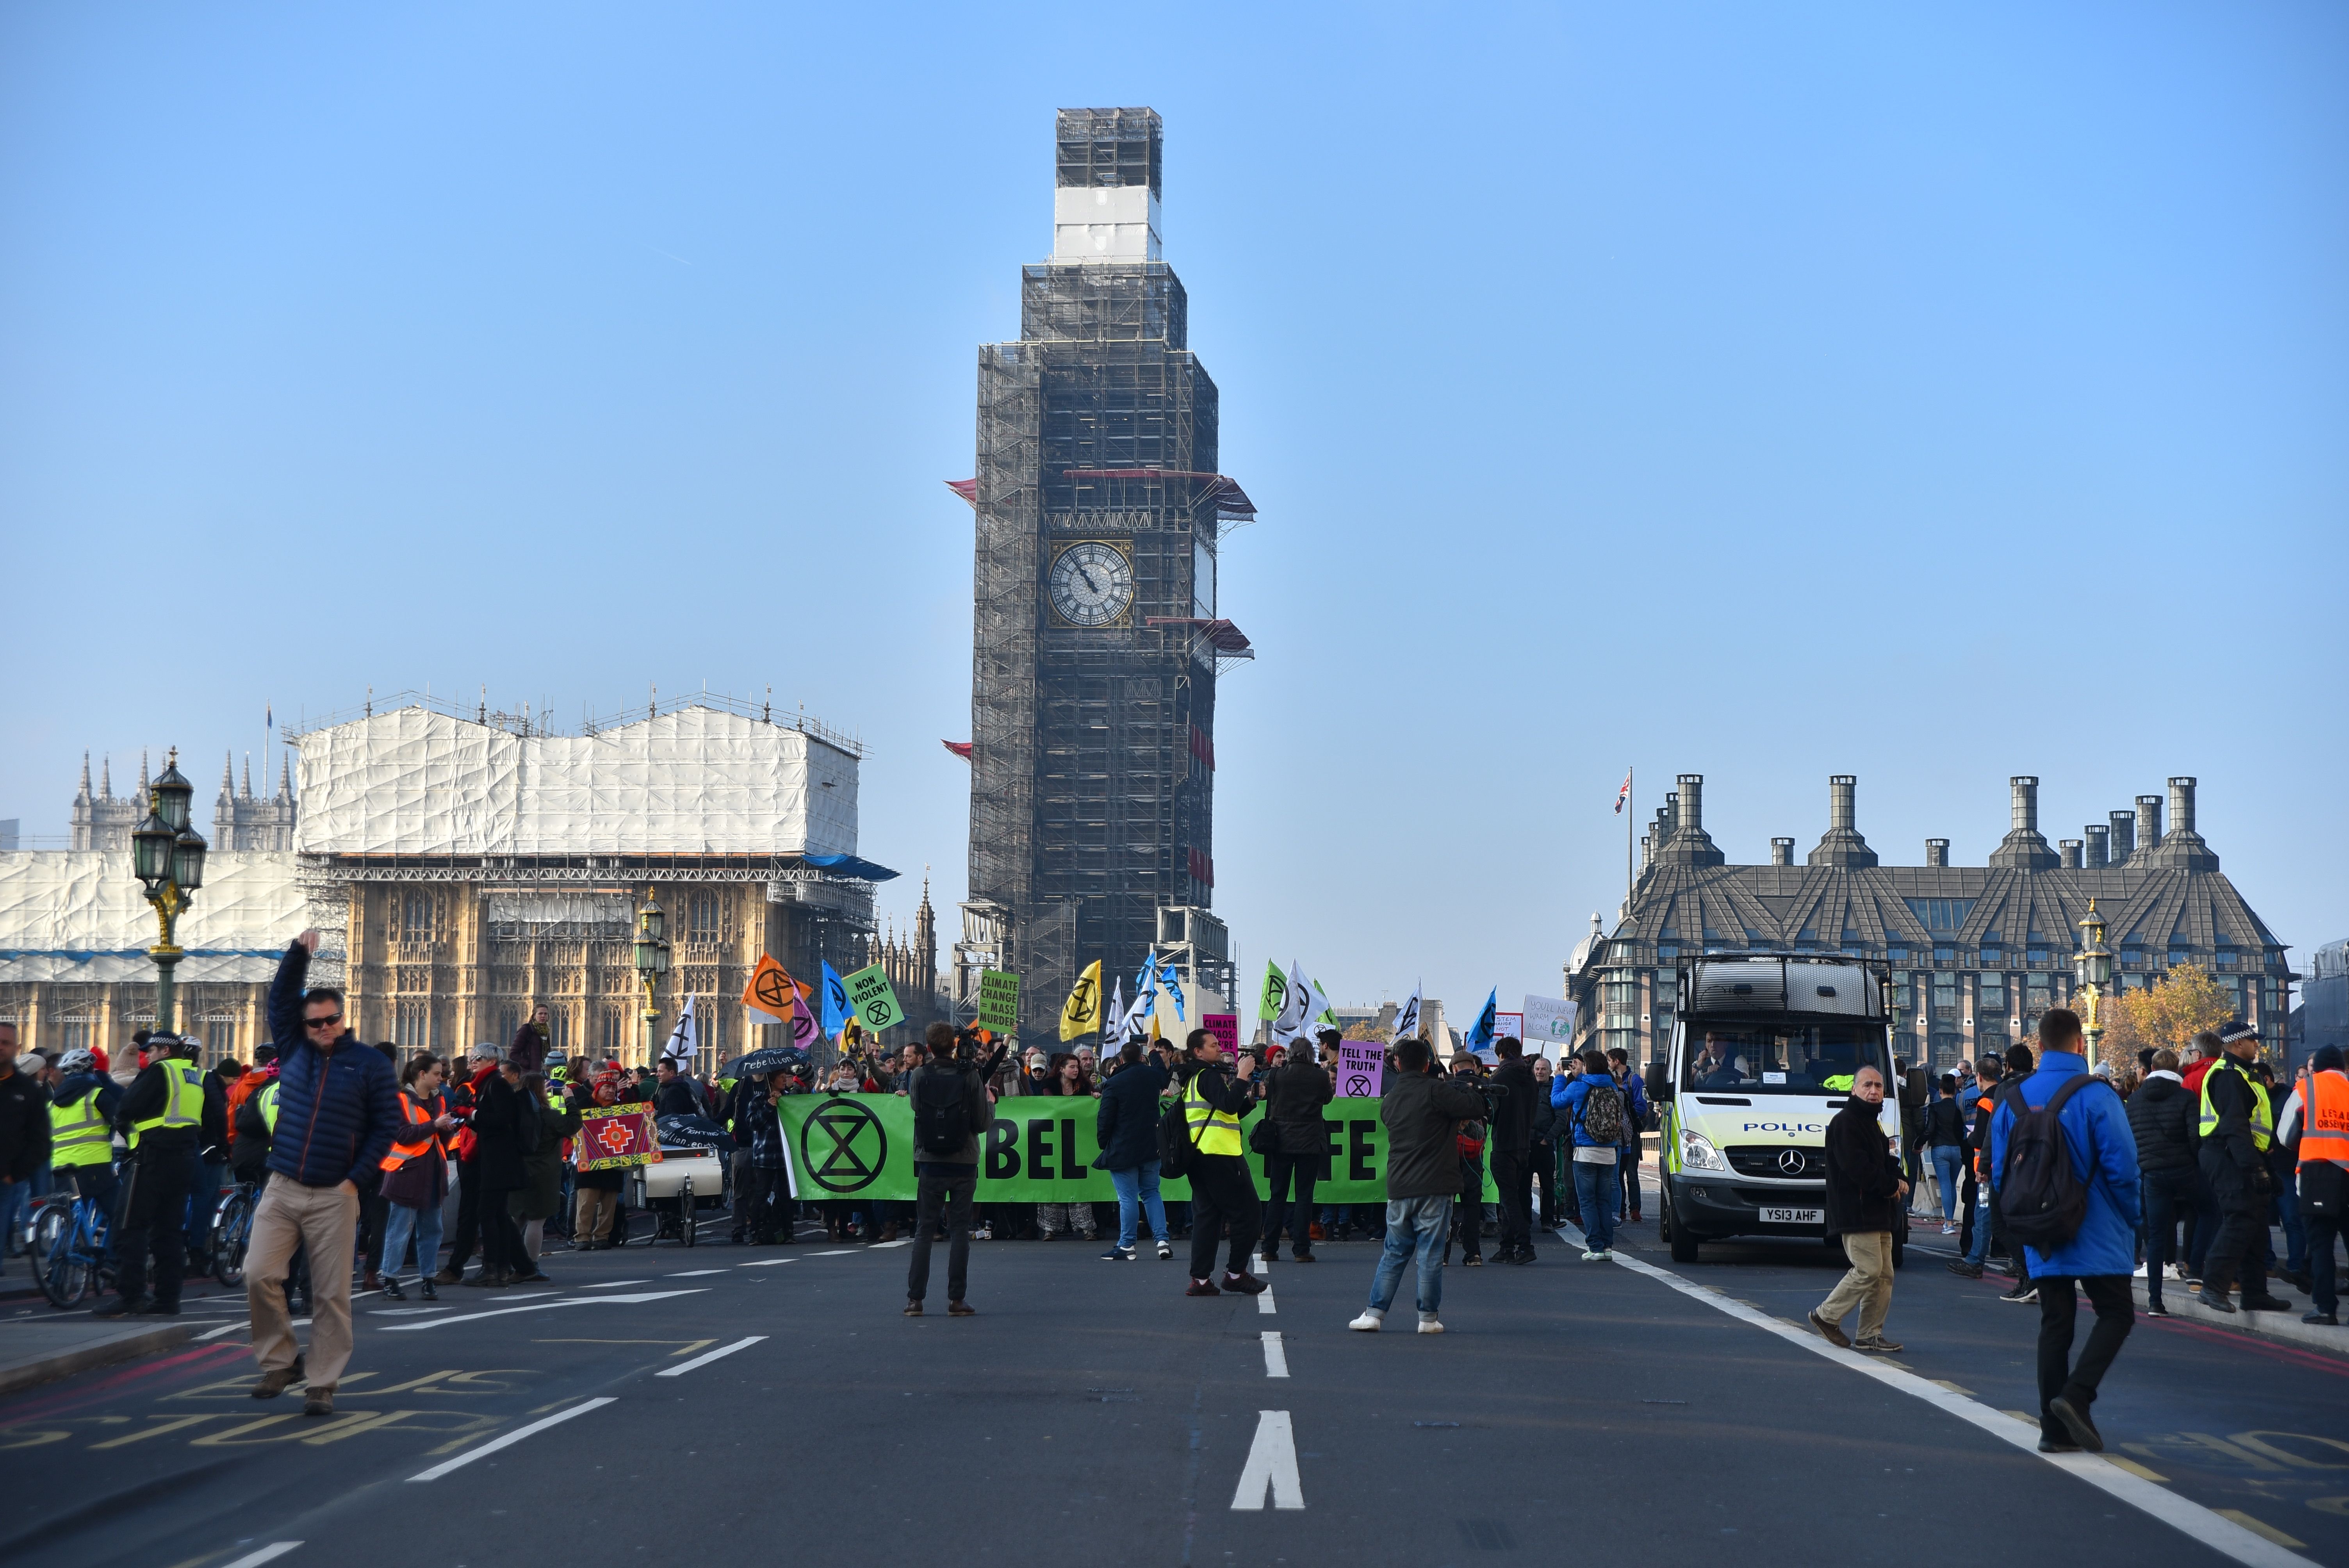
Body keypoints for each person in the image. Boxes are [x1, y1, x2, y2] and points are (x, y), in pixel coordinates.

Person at [244, 930, 400, 1417]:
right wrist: (297, 955)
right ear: (304, 1025)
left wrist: (356, 1177)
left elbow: (386, 1125)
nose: (324, 1027)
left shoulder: (369, 1064)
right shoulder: (293, 1049)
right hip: (285, 1181)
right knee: (258, 1274)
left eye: (331, 1019)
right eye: (315, 1022)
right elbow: (279, 999)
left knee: (330, 1293)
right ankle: (282, 1360)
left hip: (336, 1190)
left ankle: (323, 1382)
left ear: (342, 1019)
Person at [1988, 1008, 2142, 1453]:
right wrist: (2132, 1217)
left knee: (2055, 1323)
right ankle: (2076, 1395)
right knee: (2116, 1313)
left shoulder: (2012, 1098)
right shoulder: (2098, 1095)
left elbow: (2000, 1173)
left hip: (2040, 1228)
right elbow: (2124, 1168)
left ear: (2039, 1045)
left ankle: (2051, 1431)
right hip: (2096, 1226)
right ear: (2080, 1044)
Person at [1351, 1036, 1487, 1333]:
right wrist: (1467, 1086)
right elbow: (1475, 1106)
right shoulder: (1437, 1091)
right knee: (1430, 1253)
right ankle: (1428, 1319)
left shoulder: (1390, 1099)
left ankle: (1374, 1314)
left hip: (1400, 1184)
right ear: (1427, 1063)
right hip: (1436, 1184)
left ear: (1397, 1063)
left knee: (1395, 1252)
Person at [95, 1032, 206, 1317]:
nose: (148, 1056)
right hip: (183, 1160)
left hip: (150, 1159)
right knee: (168, 1233)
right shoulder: (193, 1075)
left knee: (129, 1226)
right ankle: (168, 1299)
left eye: (152, 1050)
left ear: (166, 1052)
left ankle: (131, 1295)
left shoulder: (160, 1071)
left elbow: (127, 1107)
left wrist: (127, 1130)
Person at [1808, 1064, 1909, 1353]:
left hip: (1879, 1210)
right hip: (1858, 1210)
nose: (1874, 1091)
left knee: (1885, 1275)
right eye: (1867, 1085)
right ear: (1854, 1089)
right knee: (1868, 1269)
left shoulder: (1872, 1122)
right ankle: (1826, 1315)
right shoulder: (1846, 1122)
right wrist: (1891, 1185)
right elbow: (1858, 1168)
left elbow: (1885, 1160)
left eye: (1878, 1086)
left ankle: (1869, 1334)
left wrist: (1899, 1177)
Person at [2195, 1021, 2292, 1313]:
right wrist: (2255, 1169)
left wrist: (2267, 1169)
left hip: (2242, 1155)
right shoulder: (2228, 1076)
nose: (2256, 1045)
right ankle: (2213, 1287)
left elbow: (2251, 1128)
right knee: (2240, 1219)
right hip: (2227, 1155)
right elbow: (2235, 1127)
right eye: (2252, 1041)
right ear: (2238, 1044)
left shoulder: (2245, 1074)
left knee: (2257, 1226)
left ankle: (2254, 1293)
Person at [904, 1022, 993, 1316]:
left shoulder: (918, 1075)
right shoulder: (969, 1076)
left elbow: (917, 1109)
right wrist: (991, 1103)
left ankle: (915, 1300)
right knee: (958, 1231)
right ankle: (957, 1299)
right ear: (954, 1046)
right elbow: (981, 1123)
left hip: (929, 1160)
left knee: (924, 1231)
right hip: (963, 1161)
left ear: (928, 1048)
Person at [1178, 1027, 1265, 1297]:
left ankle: (1201, 1280)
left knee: (1208, 1218)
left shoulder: (1193, 1079)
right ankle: (1236, 1274)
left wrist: (1249, 1098)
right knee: (1250, 1215)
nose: (1220, 1048)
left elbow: (1227, 1109)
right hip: (1220, 1156)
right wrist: (1241, 1076)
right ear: (1198, 1051)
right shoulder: (1207, 1075)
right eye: (1214, 1045)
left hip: (1201, 1157)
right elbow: (1227, 1106)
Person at [2125, 1048, 2199, 1317]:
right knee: (2211, 1212)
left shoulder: (2134, 1101)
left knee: (2156, 1236)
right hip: (2184, 1170)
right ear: (2177, 1069)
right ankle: (2199, 1271)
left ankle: (2155, 1302)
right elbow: (2195, 1137)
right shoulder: (2186, 1097)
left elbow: (2130, 1139)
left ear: (2152, 1069)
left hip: (2151, 1174)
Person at [378, 1055, 458, 1300]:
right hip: (406, 1173)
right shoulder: (400, 1099)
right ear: (421, 1074)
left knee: (432, 1230)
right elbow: (402, 1135)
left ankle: (428, 1278)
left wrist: (446, 1130)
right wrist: (435, 1125)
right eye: (436, 1074)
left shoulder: (440, 1099)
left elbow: (439, 1142)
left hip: (433, 1173)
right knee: (400, 1230)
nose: (441, 1078)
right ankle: (391, 1279)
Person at [2279, 1044, 2347, 1326]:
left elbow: (2285, 1136)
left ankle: (2325, 1308)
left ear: (2315, 1067)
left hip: (2316, 1178)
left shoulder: (2306, 1090)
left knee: (2320, 1246)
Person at [1093, 1039, 1174, 1261]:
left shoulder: (1114, 1083)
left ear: (1120, 1060)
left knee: (1127, 1197)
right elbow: (1162, 1070)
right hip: (1151, 1145)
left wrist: (1104, 1143)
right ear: (1141, 1058)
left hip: (1123, 1148)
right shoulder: (1154, 1077)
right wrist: (1153, 1049)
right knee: (1152, 1193)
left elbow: (1105, 1118)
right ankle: (1162, 1241)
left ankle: (1127, 1244)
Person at [1261, 1039, 1335, 1263]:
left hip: (1281, 1141)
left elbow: (1268, 1097)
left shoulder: (1276, 1075)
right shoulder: (1320, 1076)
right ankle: (1301, 1249)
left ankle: (1269, 1248)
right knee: (1304, 1196)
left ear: (1291, 1054)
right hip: (1310, 1141)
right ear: (1311, 1054)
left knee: (1277, 1195)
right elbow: (1328, 1100)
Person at [1554, 1048, 1627, 1260]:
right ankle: (1607, 1248)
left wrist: (1560, 1078)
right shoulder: (1612, 1085)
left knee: (1587, 1202)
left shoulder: (1579, 1086)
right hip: (1609, 1151)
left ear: (1587, 1067)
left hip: (1585, 1151)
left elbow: (1557, 1101)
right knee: (1604, 1201)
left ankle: (1594, 1247)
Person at [45, 1047, 121, 1223]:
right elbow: (121, 1122)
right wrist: (135, 1146)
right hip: (95, 1164)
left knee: (72, 1215)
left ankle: (69, 1246)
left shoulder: (52, 1105)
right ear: (90, 1070)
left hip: (61, 1165)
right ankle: (113, 1251)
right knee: (121, 1216)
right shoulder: (96, 1095)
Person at [1036, 1053, 1100, 1241]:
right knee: (1053, 1185)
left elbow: (1089, 1104)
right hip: (1054, 1141)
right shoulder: (1049, 1085)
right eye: (1072, 1067)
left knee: (1080, 1186)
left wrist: (1094, 1096)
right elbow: (1052, 1106)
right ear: (1062, 1069)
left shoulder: (1085, 1085)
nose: (1076, 1070)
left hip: (1078, 1142)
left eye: (1077, 1067)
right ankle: (1050, 1229)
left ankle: (1087, 1228)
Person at [511, 1070, 568, 1277]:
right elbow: (573, 1126)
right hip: (543, 1173)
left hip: (518, 1171)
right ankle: (531, 1265)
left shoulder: (514, 1114)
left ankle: (508, 1262)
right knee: (537, 1220)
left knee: (518, 1218)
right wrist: (570, 1102)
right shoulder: (549, 1115)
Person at [0, 1023, 47, 1274]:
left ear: (16, 1048)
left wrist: (18, 1170)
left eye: (6, 1043)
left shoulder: (28, 1091)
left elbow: (39, 1135)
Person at [574, 1073, 632, 1248]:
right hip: (589, 1162)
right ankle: (582, 1238)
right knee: (586, 1204)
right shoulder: (583, 1105)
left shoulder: (621, 1108)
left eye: (614, 1088)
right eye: (607, 1087)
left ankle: (602, 1237)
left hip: (613, 1163)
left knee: (609, 1205)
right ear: (598, 1088)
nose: (611, 1091)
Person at [1606, 1046, 1650, 1225]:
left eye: (1610, 1060)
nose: (1609, 1064)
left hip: (1631, 1134)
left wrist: (1625, 1110)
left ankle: (1635, 1209)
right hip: (1620, 1134)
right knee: (1618, 1175)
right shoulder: (1613, 1080)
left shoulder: (1634, 1080)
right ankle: (1622, 1209)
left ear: (1617, 1061)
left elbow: (1642, 1106)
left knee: (1631, 1173)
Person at [1918, 1074, 1967, 1233]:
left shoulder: (1934, 1107)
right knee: (1952, 1185)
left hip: (1940, 1149)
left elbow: (1929, 1130)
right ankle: (1950, 1220)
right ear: (1955, 1090)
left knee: (1945, 1184)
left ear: (1940, 1091)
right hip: (1958, 1149)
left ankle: (1949, 1222)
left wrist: (1918, 1144)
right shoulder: (1960, 1108)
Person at [1529, 1056, 1560, 1230]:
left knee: (1548, 1185)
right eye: (1537, 1069)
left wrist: (1547, 1139)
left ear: (1549, 1072)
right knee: (1524, 1184)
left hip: (1545, 1145)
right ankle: (1526, 1219)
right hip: (1527, 1144)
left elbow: (1561, 1119)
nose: (1540, 1072)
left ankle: (1547, 1220)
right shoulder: (1528, 1089)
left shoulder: (1555, 1090)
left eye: (1543, 1069)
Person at [510, 1003, 552, 1074]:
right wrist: (528, 1064)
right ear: (534, 1016)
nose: (543, 1016)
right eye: (540, 1014)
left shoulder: (546, 1031)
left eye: (546, 1014)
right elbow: (513, 1054)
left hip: (543, 1072)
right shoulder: (526, 1029)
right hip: (529, 1074)